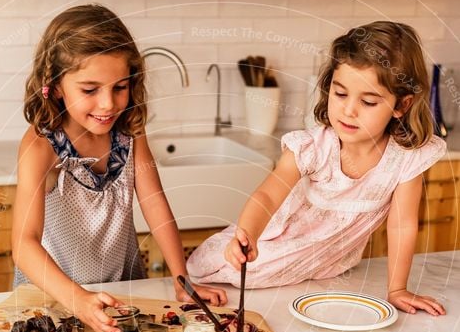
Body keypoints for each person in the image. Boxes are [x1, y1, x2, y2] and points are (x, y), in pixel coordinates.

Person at [188, 21, 447, 316]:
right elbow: (268, 197)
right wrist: (248, 236)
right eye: (340, 94)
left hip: (328, 264)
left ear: (401, 105)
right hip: (277, 244)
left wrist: (397, 289)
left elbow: (402, 225)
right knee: (214, 266)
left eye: (369, 101)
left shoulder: (406, 159)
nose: (349, 111)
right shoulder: (314, 147)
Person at [12, 4, 226, 332]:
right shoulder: (41, 147)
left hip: (121, 290)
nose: (108, 104)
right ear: (53, 85)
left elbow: (155, 203)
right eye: (90, 90)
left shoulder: (129, 132)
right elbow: (23, 244)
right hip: (52, 300)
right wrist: (78, 300)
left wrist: (182, 281)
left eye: (120, 87)